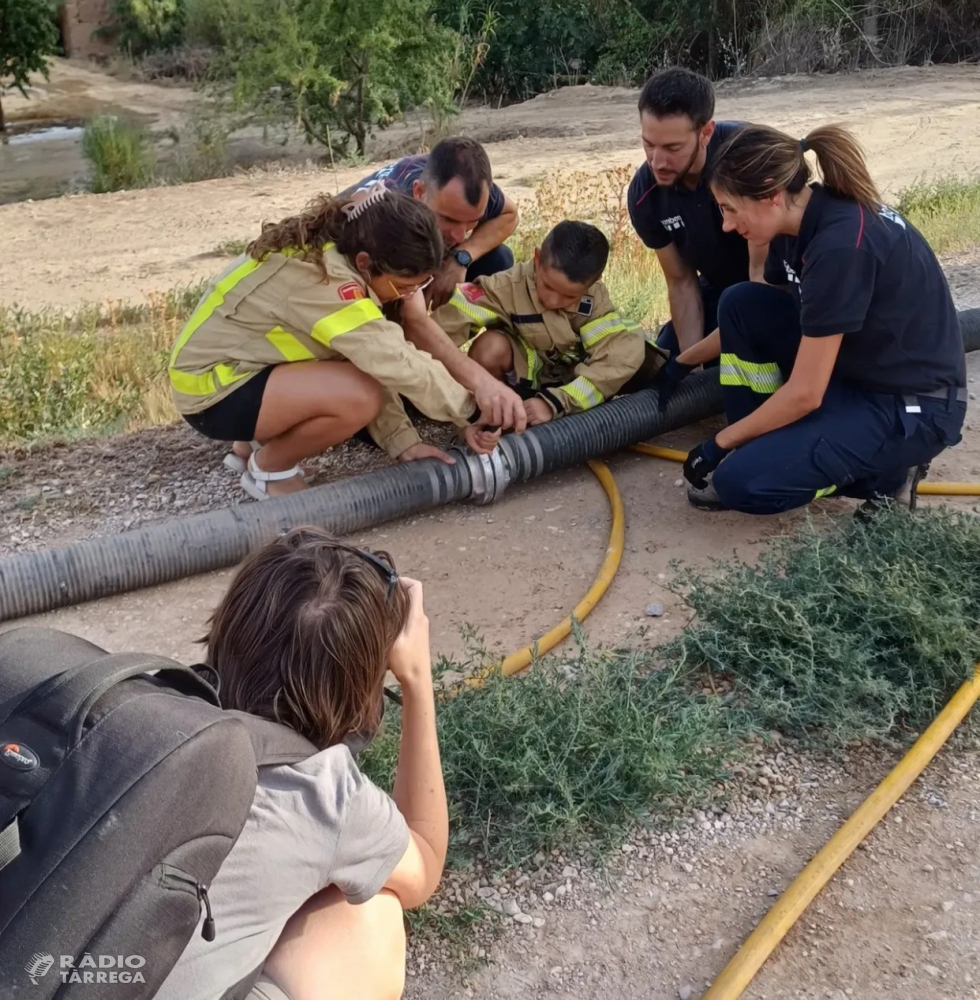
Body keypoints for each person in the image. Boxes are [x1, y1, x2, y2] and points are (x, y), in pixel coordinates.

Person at [155, 527, 445, 1000]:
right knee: (371, 915)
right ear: (361, 684)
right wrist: (417, 680)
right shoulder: (327, 794)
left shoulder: (148, 700)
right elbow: (424, 866)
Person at [677, 122, 967, 515]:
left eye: (730, 208)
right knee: (741, 303)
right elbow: (762, 315)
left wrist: (720, 443)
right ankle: (767, 445)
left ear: (770, 195)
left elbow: (806, 393)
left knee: (742, 484)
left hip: (911, 406)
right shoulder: (798, 223)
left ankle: (890, 476)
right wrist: (679, 364)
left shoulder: (840, 247)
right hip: (859, 373)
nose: (727, 224)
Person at [168, 184, 502, 500]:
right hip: (211, 396)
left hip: (224, 373)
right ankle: (270, 470)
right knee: (360, 397)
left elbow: (364, 357)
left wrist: (403, 443)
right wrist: (474, 413)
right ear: (364, 264)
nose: (409, 296)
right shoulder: (328, 285)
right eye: (404, 286)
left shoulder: (331, 253)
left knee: (355, 375)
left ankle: (250, 446)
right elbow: (396, 362)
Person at [432, 220, 667, 425]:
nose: (554, 300)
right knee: (489, 347)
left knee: (631, 344)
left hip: (574, 388)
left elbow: (617, 356)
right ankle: (498, 419)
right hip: (526, 380)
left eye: (569, 296)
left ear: (594, 282)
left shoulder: (596, 300)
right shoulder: (506, 287)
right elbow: (441, 331)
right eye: (547, 286)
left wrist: (556, 402)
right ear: (536, 259)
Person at [627, 67, 768, 399]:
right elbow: (681, 282)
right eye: (649, 144)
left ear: (706, 132)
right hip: (718, 288)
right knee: (668, 355)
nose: (657, 161)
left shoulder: (747, 156)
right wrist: (693, 372)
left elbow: (763, 279)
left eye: (672, 148)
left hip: (778, 285)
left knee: (751, 351)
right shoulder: (644, 194)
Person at [347, 137, 520, 306]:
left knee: (498, 258)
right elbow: (413, 317)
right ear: (419, 191)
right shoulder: (390, 215)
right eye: (448, 219)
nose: (460, 236)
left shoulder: (467, 190)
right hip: (357, 265)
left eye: (472, 221)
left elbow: (509, 215)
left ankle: (458, 326)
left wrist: (461, 257)